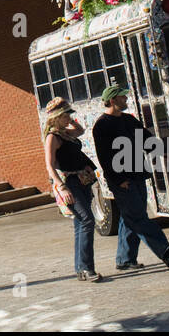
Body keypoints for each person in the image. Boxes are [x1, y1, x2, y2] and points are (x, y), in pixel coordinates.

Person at [91, 84, 169, 272]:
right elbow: (104, 158)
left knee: (129, 217)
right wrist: (118, 180)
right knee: (139, 217)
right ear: (113, 100)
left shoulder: (129, 120)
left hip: (138, 175)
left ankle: (125, 259)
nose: (126, 100)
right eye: (122, 97)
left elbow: (145, 139)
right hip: (122, 180)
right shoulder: (102, 125)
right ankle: (165, 251)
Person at [43, 97, 105, 283]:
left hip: (82, 180)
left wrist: (70, 119)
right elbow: (49, 164)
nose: (69, 118)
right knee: (87, 220)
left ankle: (81, 269)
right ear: (57, 117)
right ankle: (87, 267)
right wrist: (61, 187)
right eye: (65, 115)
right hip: (69, 182)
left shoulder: (66, 133)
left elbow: (80, 130)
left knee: (80, 223)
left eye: (69, 114)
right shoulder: (53, 137)